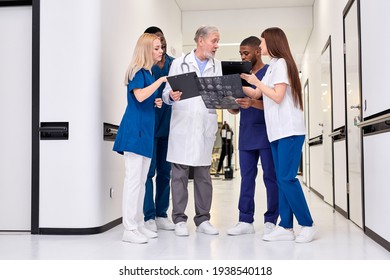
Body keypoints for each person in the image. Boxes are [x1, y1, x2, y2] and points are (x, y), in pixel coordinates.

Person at [241, 27, 317, 243]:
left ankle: (307, 224)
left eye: (262, 42)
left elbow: (277, 95)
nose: (260, 46)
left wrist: (256, 82)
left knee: (286, 178)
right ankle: (285, 226)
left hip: (289, 131)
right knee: (281, 180)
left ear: (272, 43)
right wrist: (237, 85)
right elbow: (257, 93)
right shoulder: (274, 66)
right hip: (276, 133)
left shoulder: (282, 63)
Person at [162, 25, 222, 236]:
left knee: (203, 175)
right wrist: (171, 97)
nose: (216, 45)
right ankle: (179, 219)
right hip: (183, 124)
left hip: (204, 125)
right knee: (179, 175)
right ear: (200, 41)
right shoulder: (179, 64)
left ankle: (203, 220)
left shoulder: (218, 67)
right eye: (214, 41)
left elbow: (222, 96)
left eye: (217, 41)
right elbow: (166, 93)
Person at [113, 33, 167, 244]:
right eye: (156, 48)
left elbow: (145, 99)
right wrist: (161, 82)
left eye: (160, 47)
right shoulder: (137, 70)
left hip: (145, 132)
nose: (161, 51)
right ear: (146, 50)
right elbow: (140, 95)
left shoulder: (148, 73)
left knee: (143, 181)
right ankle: (129, 228)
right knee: (133, 181)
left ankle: (139, 224)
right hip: (135, 132)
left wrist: (156, 102)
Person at [226, 36, 279, 236]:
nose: (243, 57)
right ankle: (245, 220)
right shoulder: (241, 75)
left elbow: (275, 102)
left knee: (270, 177)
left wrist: (253, 103)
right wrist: (231, 105)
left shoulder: (270, 72)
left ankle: (271, 220)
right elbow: (236, 110)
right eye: (240, 53)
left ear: (258, 51)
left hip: (266, 131)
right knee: (246, 177)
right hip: (247, 131)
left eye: (246, 53)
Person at [142, 26, 175, 232]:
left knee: (165, 172)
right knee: (148, 172)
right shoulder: (146, 66)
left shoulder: (174, 63)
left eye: (161, 40)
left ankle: (162, 214)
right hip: (150, 124)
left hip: (170, 124)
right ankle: (149, 216)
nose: (160, 45)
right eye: (155, 42)